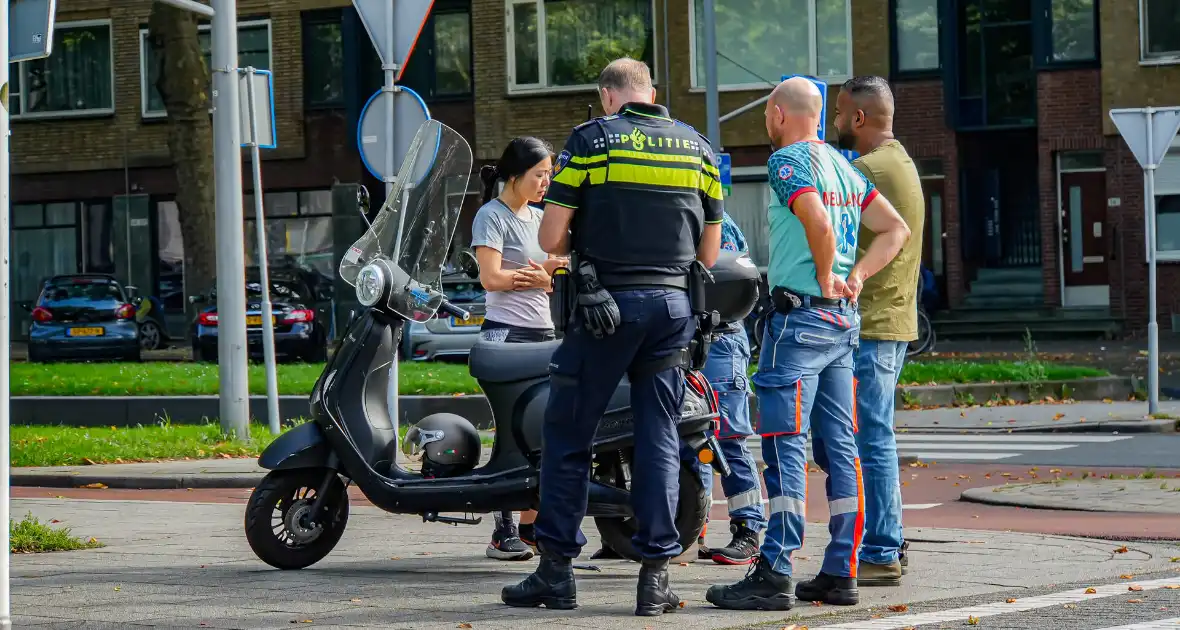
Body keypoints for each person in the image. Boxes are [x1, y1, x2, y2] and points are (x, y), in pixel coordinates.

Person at [500, 57, 723, 617]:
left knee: (570, 434)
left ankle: (556, 573)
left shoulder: (593, 140)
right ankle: (655, 580)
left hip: (606, 308)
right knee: (658, 440)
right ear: (653, 92)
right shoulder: (697, 148)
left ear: (607, 97)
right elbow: (710, 253)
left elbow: (551, 237)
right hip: (673, 309)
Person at [705, 76, 910, 611]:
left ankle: (774, 569)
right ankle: (842, 569)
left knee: (783, 446)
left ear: (777, 113)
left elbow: (815, 219)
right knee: (842, 448)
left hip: (799, 323)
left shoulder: (788, 162)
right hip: (844, 324)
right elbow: (896, 230)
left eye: (767, 116)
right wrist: (856, 275)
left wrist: (824, 273)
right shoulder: (845, 166)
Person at [831, 75, 925, 586]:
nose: (836, 123)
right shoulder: (901, 162)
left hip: (874, 323)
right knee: (869, 435)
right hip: (894, 320)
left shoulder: (864, 172)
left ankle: (883, 547)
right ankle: (886, 540)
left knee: (872, 439)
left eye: (841, 114)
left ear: (859, 118)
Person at [470, 136, 569, 561]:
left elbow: (556, 274)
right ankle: (503, 529)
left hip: (543, 334)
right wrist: (531, 278)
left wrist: (545, 276)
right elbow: (490, 278)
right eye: (539, 174)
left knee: (542, 435)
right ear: (514, 176)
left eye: (549, 175)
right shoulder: (491, 216)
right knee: (512, 434)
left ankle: (530, 530)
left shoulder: (540, 218)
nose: (546, 182)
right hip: (506, 335)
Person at [694, 211, 767, 566]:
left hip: (719, 339)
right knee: (689, 439)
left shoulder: (717, 224)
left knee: (725, 437)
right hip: (684, 336)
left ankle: (749, 530)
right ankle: (692, 530)